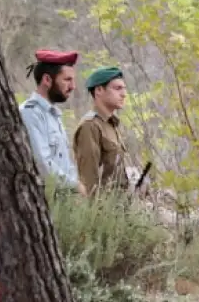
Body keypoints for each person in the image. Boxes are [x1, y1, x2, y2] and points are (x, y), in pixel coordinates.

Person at [19, 49, 83, 194]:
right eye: (67, 80)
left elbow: (64, 163)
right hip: (47, 203)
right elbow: (42, 164)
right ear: (47, 80)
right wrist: (75, 186)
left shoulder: (53, 115)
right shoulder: (29, 113)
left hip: (64, 200)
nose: (73, 86)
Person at [73, 66, 131, 197]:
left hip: (119, 208)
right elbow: (89, 182)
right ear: (99, 90)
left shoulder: (111, 124)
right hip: (104, 210)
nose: (123, 94)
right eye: (117, 88)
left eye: (124, 88)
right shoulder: (90, 126)